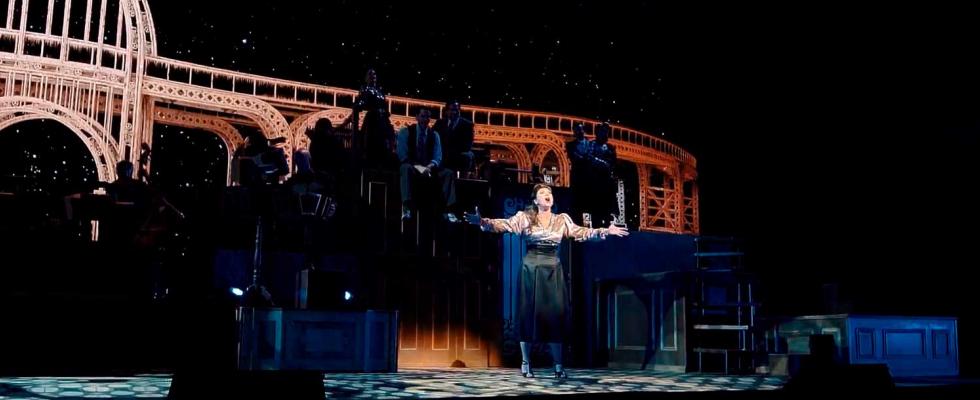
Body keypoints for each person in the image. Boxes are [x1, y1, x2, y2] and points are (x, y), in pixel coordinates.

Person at [465, 183, 628, 379]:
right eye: (542, 193)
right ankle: (526, 363)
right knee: (527, 314)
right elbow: (504, 224)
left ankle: (558, 364)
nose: (547, 195)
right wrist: (482, 221)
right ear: (536, 200)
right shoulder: (525, 218)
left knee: (555, 316)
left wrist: (605, 231)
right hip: (531, 268)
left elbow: (581, 232)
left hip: (553, 269)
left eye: (549, 192)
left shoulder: (561, 220)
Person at [396, 108, 458, 221]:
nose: (425, 119)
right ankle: (406, 208)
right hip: (413, 166)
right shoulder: (405, 132)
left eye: (428, 117)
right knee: (405, 168)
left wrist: (429, 167)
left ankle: (448, 211)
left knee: (448, 173)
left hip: (429, 169)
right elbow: (403, 156)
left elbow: (437, 157)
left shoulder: (434, 135)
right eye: (423, 116)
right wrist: (420, 168)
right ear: (417, 117)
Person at [351, 68, 395, 168]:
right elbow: (362, 101)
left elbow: (384, 104)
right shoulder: (365, 88)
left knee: (385, 141)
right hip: (373, 119)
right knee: (371, 142)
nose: (373, 76)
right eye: (370, 74)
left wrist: (386, 113)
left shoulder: (380, 90)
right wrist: (357, 106)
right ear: (367, 78)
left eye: (374, 74)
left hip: (383, 119)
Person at [432, 101, 474, 176]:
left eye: (456, 110)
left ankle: (462, 180)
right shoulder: (439, 122)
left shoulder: (467, 125)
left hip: (457, 155)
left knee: (468, 155)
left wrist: (451, 152)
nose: (454, 112)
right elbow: (433, 138)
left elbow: (468, 145)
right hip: (441, 153)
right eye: (451, 110)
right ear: (446, 111)